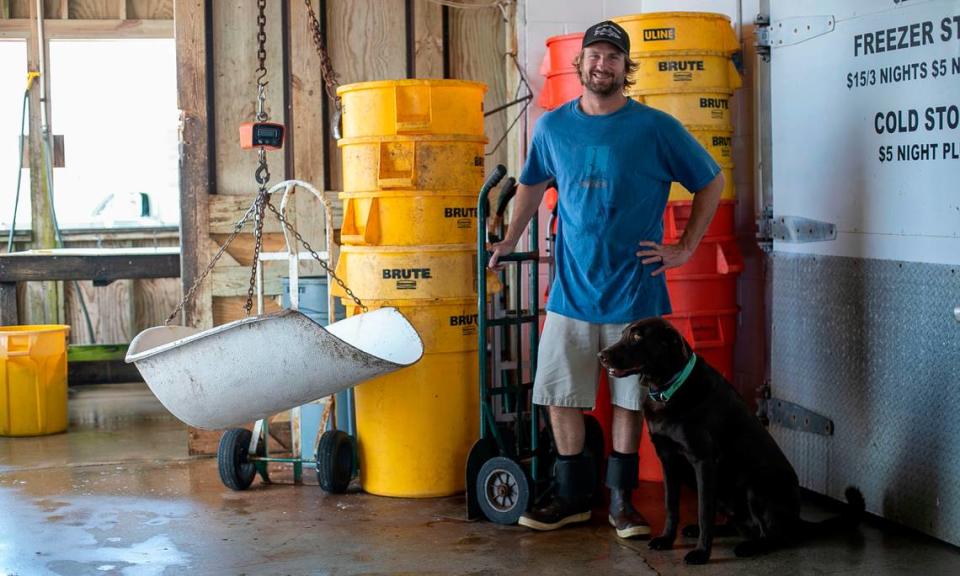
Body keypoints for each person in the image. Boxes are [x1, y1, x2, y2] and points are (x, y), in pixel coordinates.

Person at [488, 20, 724, 537]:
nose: (602, 64)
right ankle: (572, 498)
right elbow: (530, 185)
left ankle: (621, 502)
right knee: (559, 393)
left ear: (625, 67)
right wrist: (509, 238)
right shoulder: (552, 127)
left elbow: (711, 179)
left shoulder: (655, 127)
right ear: (580, 64)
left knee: (627, 401)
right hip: (571, 292)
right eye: (594, 55)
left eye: (612, 57)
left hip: (634, 294)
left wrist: (684, 248)